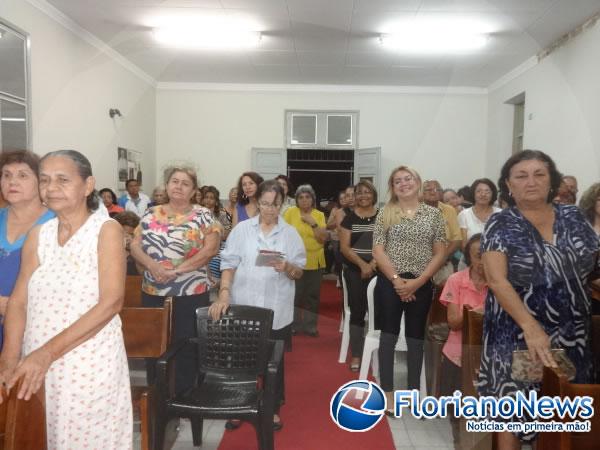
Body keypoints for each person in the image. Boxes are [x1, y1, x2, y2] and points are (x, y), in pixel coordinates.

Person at [0, 149, 132, 448]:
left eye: (62, 180)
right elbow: (19, 302)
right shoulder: (39, 236)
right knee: (40, 437)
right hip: (36, 363)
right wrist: (8, 360)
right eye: (45, 180)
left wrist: (46, 354)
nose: (51, 188)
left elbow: (111, 303)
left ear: (87, 185)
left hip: (87, 362)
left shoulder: (105, 231)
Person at [479, 150, 598, 448]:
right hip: (518, 330)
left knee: (565, 406)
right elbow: (496, 279)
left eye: (539, 174)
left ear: (552, 181)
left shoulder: (572, 216)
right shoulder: (501, 223)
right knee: (514, 405)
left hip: (573, 331)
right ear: (509, 184)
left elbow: (593, 264)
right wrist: (530, 327)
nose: (530, 182)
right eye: (521, 176)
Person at [209, 180, 306, 431]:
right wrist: (224, 293)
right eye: (264, 203)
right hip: (244, 304)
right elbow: (228, 264)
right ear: (257, 202)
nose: (269, 209)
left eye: (275, 204)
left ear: (282, 203)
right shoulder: (242, 230)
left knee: (274, 363)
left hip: (277, 308)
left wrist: (287, 267)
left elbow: (299, 272)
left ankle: (272, 409)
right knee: (241, 359)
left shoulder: (290, 234)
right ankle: (238, 405)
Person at [130, 165, 220, 392]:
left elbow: (210, 250)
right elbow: (134, 245)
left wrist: (176, 271)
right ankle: (156, 395)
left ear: (193, 191)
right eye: (174, 181)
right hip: (153, 290)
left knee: (186, 344)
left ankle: (185, 396)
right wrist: (152, 265)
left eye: (185, 183)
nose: (178, 186)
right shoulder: (151, 213)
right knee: (154, 346)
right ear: (167, 185)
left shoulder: (203, 215)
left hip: (190, 292)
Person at [372, 166, 446, 410]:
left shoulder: (433, 214)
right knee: (388, 335)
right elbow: (378, 250)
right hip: (389, 282)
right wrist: (396, 280)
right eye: (397, 181)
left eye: (408, 179)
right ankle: (388, 392)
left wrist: (419, 280)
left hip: (421, 282)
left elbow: (440, 252)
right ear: (392, 188)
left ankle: (414, 391)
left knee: (416, 338)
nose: (403, 184)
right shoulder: (385, 212)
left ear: (418, 182)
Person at [0, 150, 54, 349]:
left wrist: (16, 307)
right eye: (6, 175)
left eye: (22, 175)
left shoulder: (57, 223)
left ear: (40, 182)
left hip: (39, 327)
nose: (12, 182)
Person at [438, 233, 487, 450]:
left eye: (489, 255)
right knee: (457, 408)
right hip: (459, 351)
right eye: (478, 256)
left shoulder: (501, 283)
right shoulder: (456, 280)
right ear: (469, 257)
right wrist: (478, 313)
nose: (483, 261)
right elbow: (454, 322)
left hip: (490, 354)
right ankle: (460, 439)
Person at [339, 180, 378, 372]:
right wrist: (363, 264)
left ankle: (380, 351)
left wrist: (373, 264)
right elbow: (344, 248)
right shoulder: (349, 219)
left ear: (373, 194)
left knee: (382, 311)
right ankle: (357, 354)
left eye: (367, 192)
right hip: (355, 270)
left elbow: (385, 245)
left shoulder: (382, 216)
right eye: (359, 193)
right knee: (358, 310)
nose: (363, 196)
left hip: (380, 268)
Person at [284, 184, 328, 337]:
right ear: (296, 199)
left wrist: (313, 222)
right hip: (294, 261)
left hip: (315, 260)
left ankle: (310, 326)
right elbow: (283, 234)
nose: (304, 200)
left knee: (312, 296)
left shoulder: (319, 215)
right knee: (295, 295)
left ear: (312, 199)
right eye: (301, 197)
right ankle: (294, 325)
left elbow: (322, 239)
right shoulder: (290, 212)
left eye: (307, 197)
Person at [422, 180, 463, 285]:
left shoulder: (449, 210)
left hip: (444, 264)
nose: (433, 192)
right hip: (421, 265)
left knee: (445, 298)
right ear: (422, 193)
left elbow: (457, 238)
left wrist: (442, 257)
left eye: (437, 189)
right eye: (429, 190)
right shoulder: (415, 210)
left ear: (441, 193)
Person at [458, 178, 501, 248]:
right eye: (479, 191)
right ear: (473, 193)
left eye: (487, 191)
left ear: (493, 194)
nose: (483, 194)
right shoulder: (464, 215)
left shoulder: (501, 213)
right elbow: (464, 245)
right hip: (470, 256)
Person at [202, 185, 231, 284]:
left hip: (218, 245)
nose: (208, 200)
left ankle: (217, 282)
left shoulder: (221, 214)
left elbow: (227, 233)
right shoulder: (198, 213)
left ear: (216, 201)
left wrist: (215, 235)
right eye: (206, 197)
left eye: (211, 198)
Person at [114, 211, 141, 275]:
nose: (127, 237)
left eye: (131, 234)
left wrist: (134, 250)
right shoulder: (106, 252)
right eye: (123, 233)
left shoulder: (140, 251)